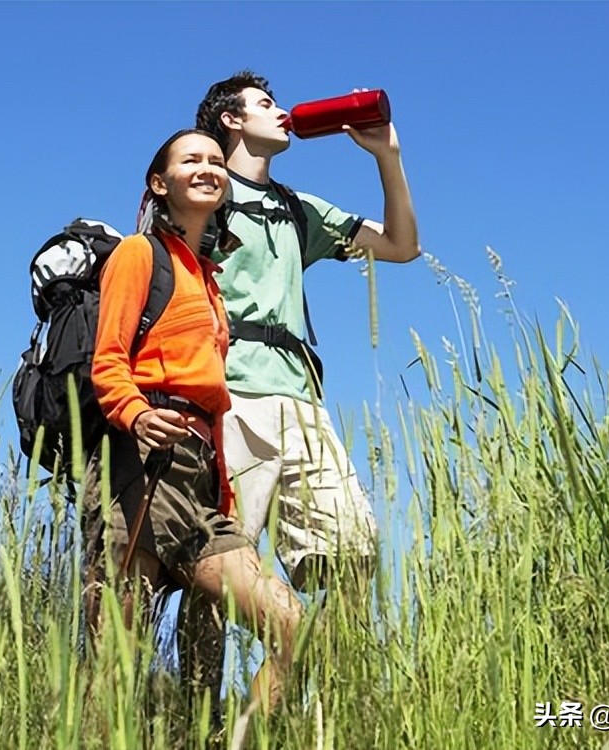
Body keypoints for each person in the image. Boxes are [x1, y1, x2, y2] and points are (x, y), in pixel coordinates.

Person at [176, 70, 420, 709]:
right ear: (230, 120)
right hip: (228, 398)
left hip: (303, 403)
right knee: (225, 568)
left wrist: (387, 156)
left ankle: (318, 710)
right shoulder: (202, 191)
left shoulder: (295, 208)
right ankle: (197, 715)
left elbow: (401, 246)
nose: (281, 112)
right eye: (264, 104)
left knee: (351, 555)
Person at [84, 128, 302, 714]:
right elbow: (107, 359)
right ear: (161, 183)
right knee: (116, 662)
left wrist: (222, 485)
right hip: (143, 467)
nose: (208, 167)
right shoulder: (139, 254)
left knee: (291, 623)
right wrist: (134, 415)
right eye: (191, 160)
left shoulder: (209, 280)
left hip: (201, 478)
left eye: (214, 160)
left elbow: (213, 399)